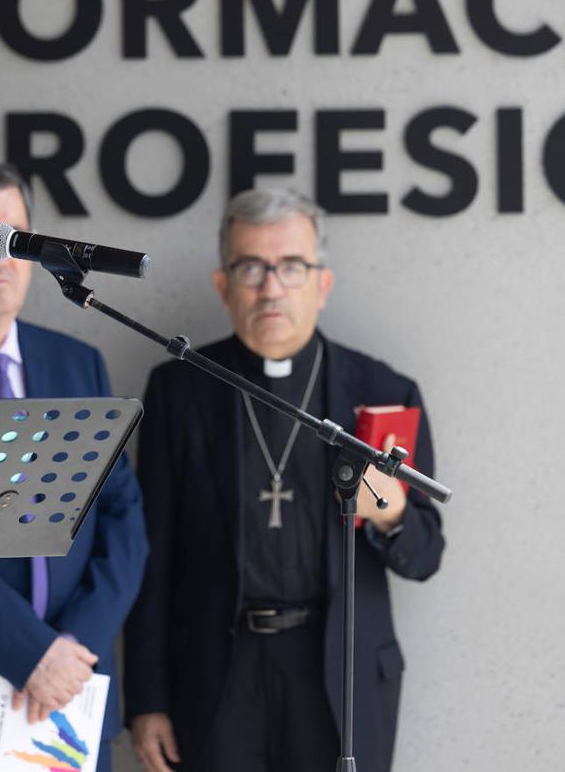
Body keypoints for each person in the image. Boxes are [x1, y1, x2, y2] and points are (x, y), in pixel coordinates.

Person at [124, 188, 446, 772]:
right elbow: (151, 555)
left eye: (291, 267)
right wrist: (146, 699)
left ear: (321, 283)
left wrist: (392, 513)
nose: (271, 287)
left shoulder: (383, 392)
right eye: (251, 267)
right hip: (217, 674)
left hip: (340, 673)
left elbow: (425, 557)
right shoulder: (181, 391)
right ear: (223, 285)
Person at [0, 159, 148, 772]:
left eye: (15, 240)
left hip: (73, 693)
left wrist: (74, 648)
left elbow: (122, 516)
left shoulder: (78, 364)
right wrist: (28, 652)